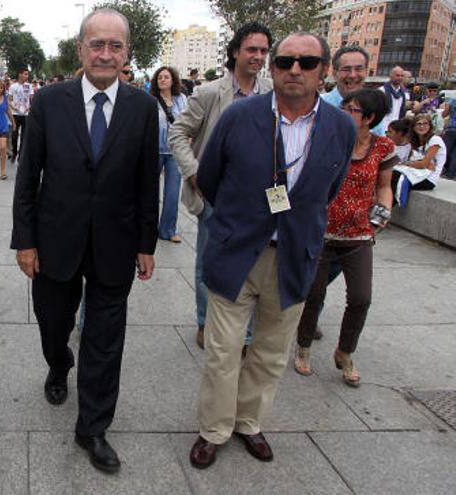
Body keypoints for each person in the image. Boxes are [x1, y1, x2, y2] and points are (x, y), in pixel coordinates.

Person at [189, 32, 355, 469]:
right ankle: (214, 430)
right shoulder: (239, 117)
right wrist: (242, 219)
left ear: (324, 71)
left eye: (306, 62)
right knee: (223, 350)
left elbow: (329, 189)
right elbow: (208, 177)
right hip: (237, 252)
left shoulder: (340, 127)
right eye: (284, 62)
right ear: (272, 68)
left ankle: (248, 422)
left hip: (294, 256)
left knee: (270, 350)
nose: (294, 69)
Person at [11, 8, 158, 474]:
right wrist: (25, 240)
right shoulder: (50, 102)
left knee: (106, 338)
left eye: (116, 46)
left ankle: (92, 427)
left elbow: (145, 181)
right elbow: (27, 176)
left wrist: (146, 242)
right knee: (54, 322)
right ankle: (59, 364)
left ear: (127, 53)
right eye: (97, 44)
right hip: (55, 241)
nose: (106, 54)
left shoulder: (141, 107)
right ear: (81, 48)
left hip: (115, 244)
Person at [169, 21, 274, 350]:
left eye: (263, 51)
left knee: (256, 262)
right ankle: (205, 322)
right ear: (234, 52)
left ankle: (244, 334)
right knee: (210, 261)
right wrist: (195, 173)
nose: (257, 56)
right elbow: (178, 134)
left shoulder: (273, 91)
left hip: (260, 198)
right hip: (216, 195)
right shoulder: (210, 92)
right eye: (251, 49)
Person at [294, 89, 396, 387]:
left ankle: (345, 351)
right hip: (321, 231)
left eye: (353, 110)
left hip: (359, 234)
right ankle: (303, 346)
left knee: (362, 297)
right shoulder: (329, 139)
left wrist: (382, 215)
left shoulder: (383, 147)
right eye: (345, 107)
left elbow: (384, 186)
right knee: (314, 294)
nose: (345, 113)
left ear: (370, 118)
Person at [151, 66, 187, 242]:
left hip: (175, 152)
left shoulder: (182, 99)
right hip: (154, 150)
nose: (163, 80)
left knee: (172, 192)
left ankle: (168, 230)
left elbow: (189, 122)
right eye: (160, 77)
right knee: (150, 192)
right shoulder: (150, 100)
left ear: (173, 80)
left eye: (166, 77)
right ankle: (148, 228)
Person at [322, 46, 384, 136]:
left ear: (366, 72)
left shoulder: (374, 108)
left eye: (359, 69)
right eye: (346, 69)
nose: (352, 75)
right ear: (335, 74)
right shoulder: (318, 105)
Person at [391, 113, 447, 197]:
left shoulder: (435, 140)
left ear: (430, 126)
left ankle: (386, 207)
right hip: (416, 173)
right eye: (419, 124)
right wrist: (417, 163)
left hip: (428, 179)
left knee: (396, 179)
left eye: (425, 124)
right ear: (413, 127)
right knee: (390, 175)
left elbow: (423, 164)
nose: (422, 127)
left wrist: (408, 163)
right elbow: (420, 162)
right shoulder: (416, 141)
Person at [8, 68, 33, 160]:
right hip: (15, 113)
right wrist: (14, 107)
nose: (27, 76)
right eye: (25, 74)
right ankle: (14, 151)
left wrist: (28, 108)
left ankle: (21, 154)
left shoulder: (29, 86)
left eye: (27, 74)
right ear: (20, 74)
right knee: (14, 135)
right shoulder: (13, 86)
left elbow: (31, 99)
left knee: (24, 135)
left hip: (26, 114)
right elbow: (9, 100)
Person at [379, 66, 409, 132]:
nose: (400, 78)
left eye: (402, 76)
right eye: (397, 75)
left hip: (395, 129)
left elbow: (401, 112)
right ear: (391, 76)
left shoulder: (403, 94)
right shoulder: (382, 91)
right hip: (382, 128)